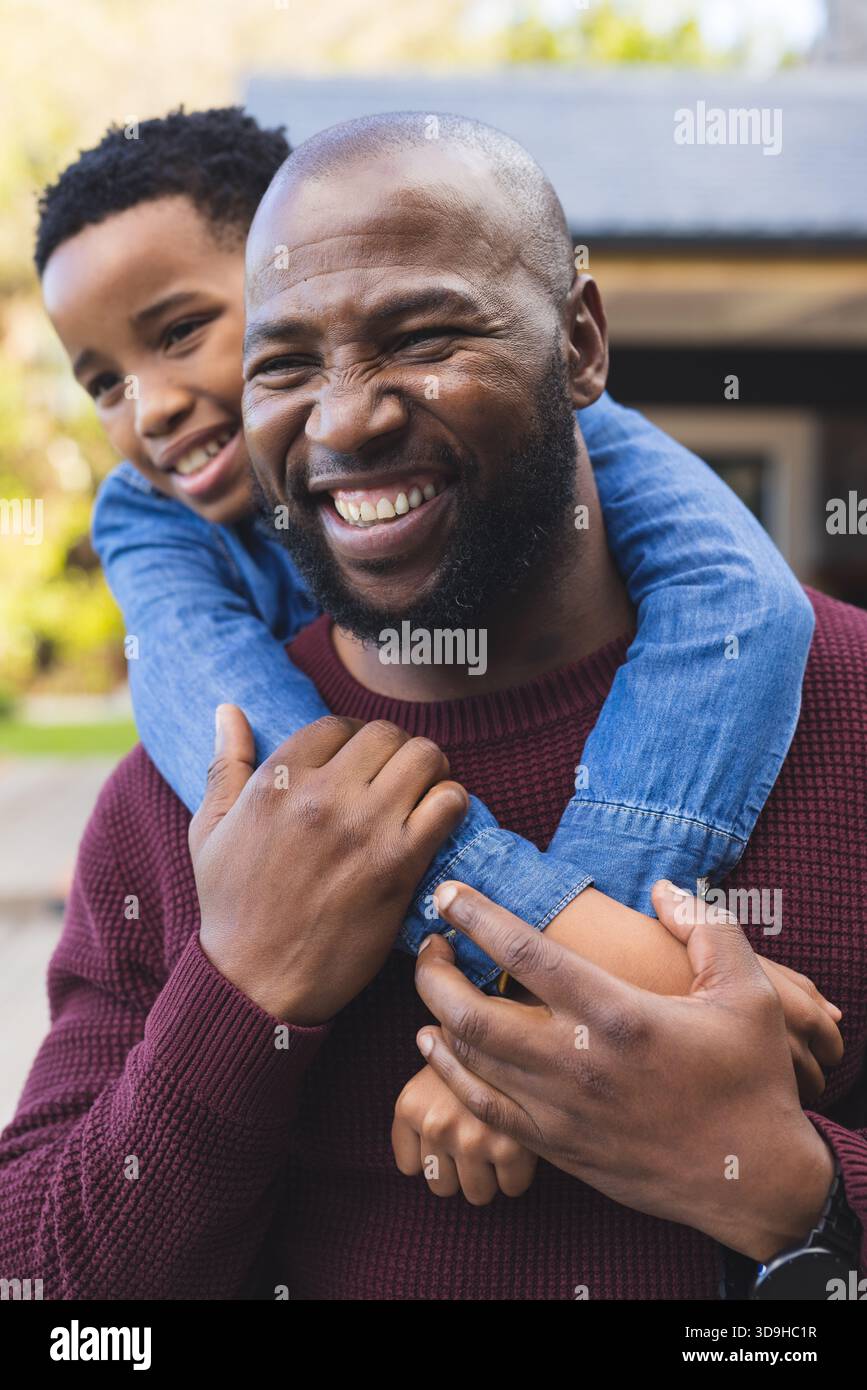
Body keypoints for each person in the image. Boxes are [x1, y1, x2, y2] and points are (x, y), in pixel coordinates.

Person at [0, 110, 857, 1300]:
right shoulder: (178, 791)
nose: (346, 418)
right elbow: (46, 1290)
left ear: (580, 342)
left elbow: (742, 601)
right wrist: (245, 989)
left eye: (421, 334)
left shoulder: (837, 694)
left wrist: (788, 1187)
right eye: (286, 361)